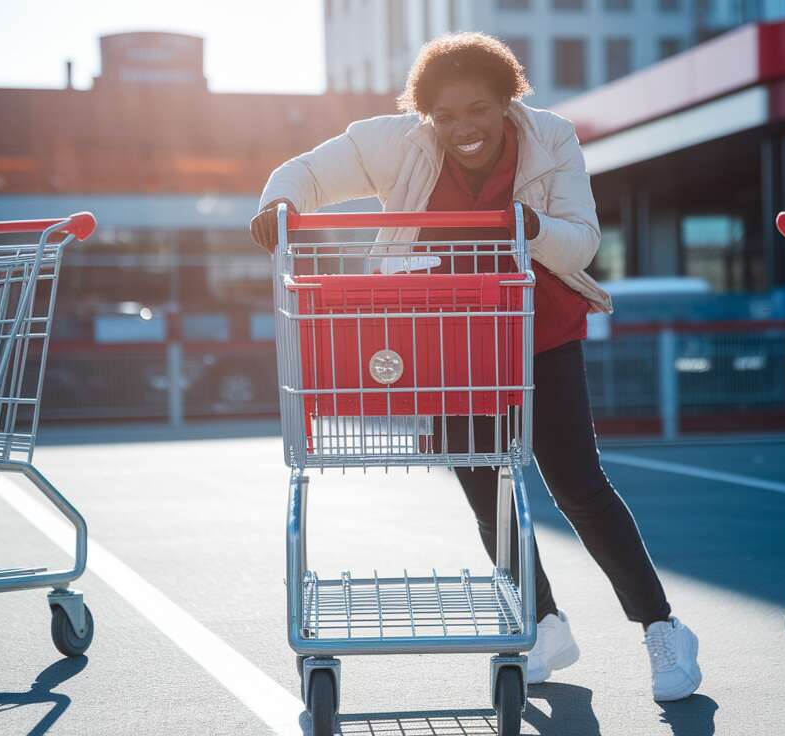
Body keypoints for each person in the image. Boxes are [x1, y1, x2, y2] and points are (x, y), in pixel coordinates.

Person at [251, 32, 700, 702]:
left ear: (507, 101)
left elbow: (582, 239)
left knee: (577, 485)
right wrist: (277, 204)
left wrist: (532, 224)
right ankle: (542, 622)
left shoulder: (552, 139)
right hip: (451, 336)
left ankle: (662, 628)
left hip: (539, 327)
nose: (464, 127)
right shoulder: (396, 141)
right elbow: (308, 172)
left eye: (479, 110)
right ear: (426, 115)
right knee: (484, 485)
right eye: (447, 114)